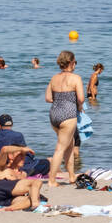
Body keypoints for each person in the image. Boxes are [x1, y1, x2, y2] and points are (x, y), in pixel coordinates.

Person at [44, 51, 84, 187]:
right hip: (68, 114)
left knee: (70, 143)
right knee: (60, 148)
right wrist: (79, 106)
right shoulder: (76, 78)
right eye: (75, 62)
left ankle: (72, 175)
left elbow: (48, 98)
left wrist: (60, 99)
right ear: (71, 62)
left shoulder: (54, 78)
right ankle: (52, 180)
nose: (75, 65)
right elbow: (81, 98)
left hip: (54, 113)